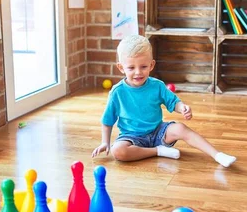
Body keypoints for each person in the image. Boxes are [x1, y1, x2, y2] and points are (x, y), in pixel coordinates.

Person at [92, 35, 237, 168]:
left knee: (180, 128)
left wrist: (182, 108)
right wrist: (105, 142)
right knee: (118, 152)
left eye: (143, 66)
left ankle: (217, 155)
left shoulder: (157, 86)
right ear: (121, 68)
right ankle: (157, 151)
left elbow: (173, 102)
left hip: (158, 132)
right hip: (131, 137)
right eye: (131, 67)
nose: (138, 72)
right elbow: (107, 121)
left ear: (151, 65)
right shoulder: (117, 92)